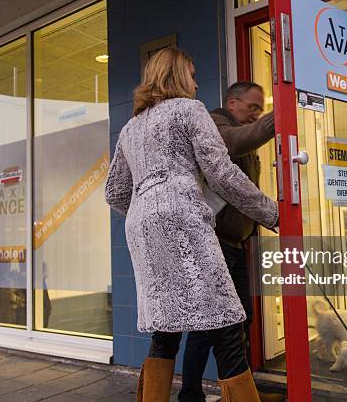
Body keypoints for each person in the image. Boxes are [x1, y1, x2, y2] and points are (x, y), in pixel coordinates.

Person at [104, 48, 278, 402]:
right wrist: (273, 213)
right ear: (179, 75)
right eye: (193, 74)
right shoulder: (189, 110)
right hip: (183, 220)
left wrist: (147, 209)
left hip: (141, 230)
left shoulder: (130, 128)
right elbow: (223, 174)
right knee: (226, 322)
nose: (197, 83)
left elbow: (114, 192)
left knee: (165, 327)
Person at [179, 82, 283, 402]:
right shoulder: (215, 125)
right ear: (233, 103)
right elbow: (237, 142)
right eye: (253, 107)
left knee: (241, 319)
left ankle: (239, 391)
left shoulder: (240, 129)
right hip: (215, 242)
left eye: (261, 109)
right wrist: (281, 115)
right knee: (208, 324)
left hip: (239, 243)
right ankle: (191, 395)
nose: (256, 114)